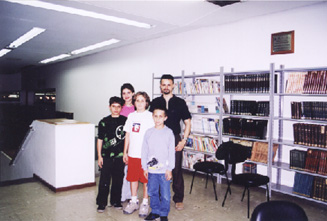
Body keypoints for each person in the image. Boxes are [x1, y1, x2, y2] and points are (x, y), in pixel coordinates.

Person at [149, 74, 191, 211]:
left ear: (173, 85)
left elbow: (187, 122)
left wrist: (183, 140)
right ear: (160, 86)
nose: (166, 87)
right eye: (163, 84)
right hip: (158, 137)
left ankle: (178, 198)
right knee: (159, 168)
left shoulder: (179, 102)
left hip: (174, 138)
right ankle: (161, 196)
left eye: (169, 84)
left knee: (176, 168)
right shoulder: (155, 102)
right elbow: (150, 121)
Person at [123, 91, 154, 217]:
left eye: (142, 100)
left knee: (146, 180)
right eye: (137, 100)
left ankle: (145, 202)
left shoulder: (151, 116)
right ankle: (134, 200)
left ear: (146, 103)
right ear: (134, 102)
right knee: (133, 178)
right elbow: (128, 135)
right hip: (133, 154)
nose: (140, 103)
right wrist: (125, 152)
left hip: (146, 155)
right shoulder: (131, 116)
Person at [142, 106, 175, 221]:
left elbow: (171, 152)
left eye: (160, 116)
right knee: (152, 191)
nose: (158, 119)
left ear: (165, 118)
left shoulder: (169, 133)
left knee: (165, 194)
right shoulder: (148, 133)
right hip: (151, 170)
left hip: (164, 170)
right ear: (153, 117)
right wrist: (144, 167)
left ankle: (164, 213)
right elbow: (144, 151)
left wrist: (170, 168)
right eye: (155, 116)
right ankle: (155, 211)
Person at [96, 96, 127, 213]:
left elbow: (128, 138)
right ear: (110, 107)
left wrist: (126, 153)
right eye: (113, 106)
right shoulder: (104, 122)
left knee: (118, 180)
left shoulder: (125, 121)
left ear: (121, 108)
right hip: (106, 156)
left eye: (118, 107)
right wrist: (99, 156)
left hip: (120, 157)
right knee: (104, 180)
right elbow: (99, 140)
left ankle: (116, 201)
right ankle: (101, 203)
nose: (116, 109)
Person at [120, 83, 135, 203]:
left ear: (133, 93)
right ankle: (121, 194)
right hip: (122, 142)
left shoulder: (137, 108)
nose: (126, 95)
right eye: (124, 93)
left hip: (135, 143)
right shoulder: (119, 108)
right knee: (122, 170)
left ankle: (130, 194)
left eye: (128, 93)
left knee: (131, 170)